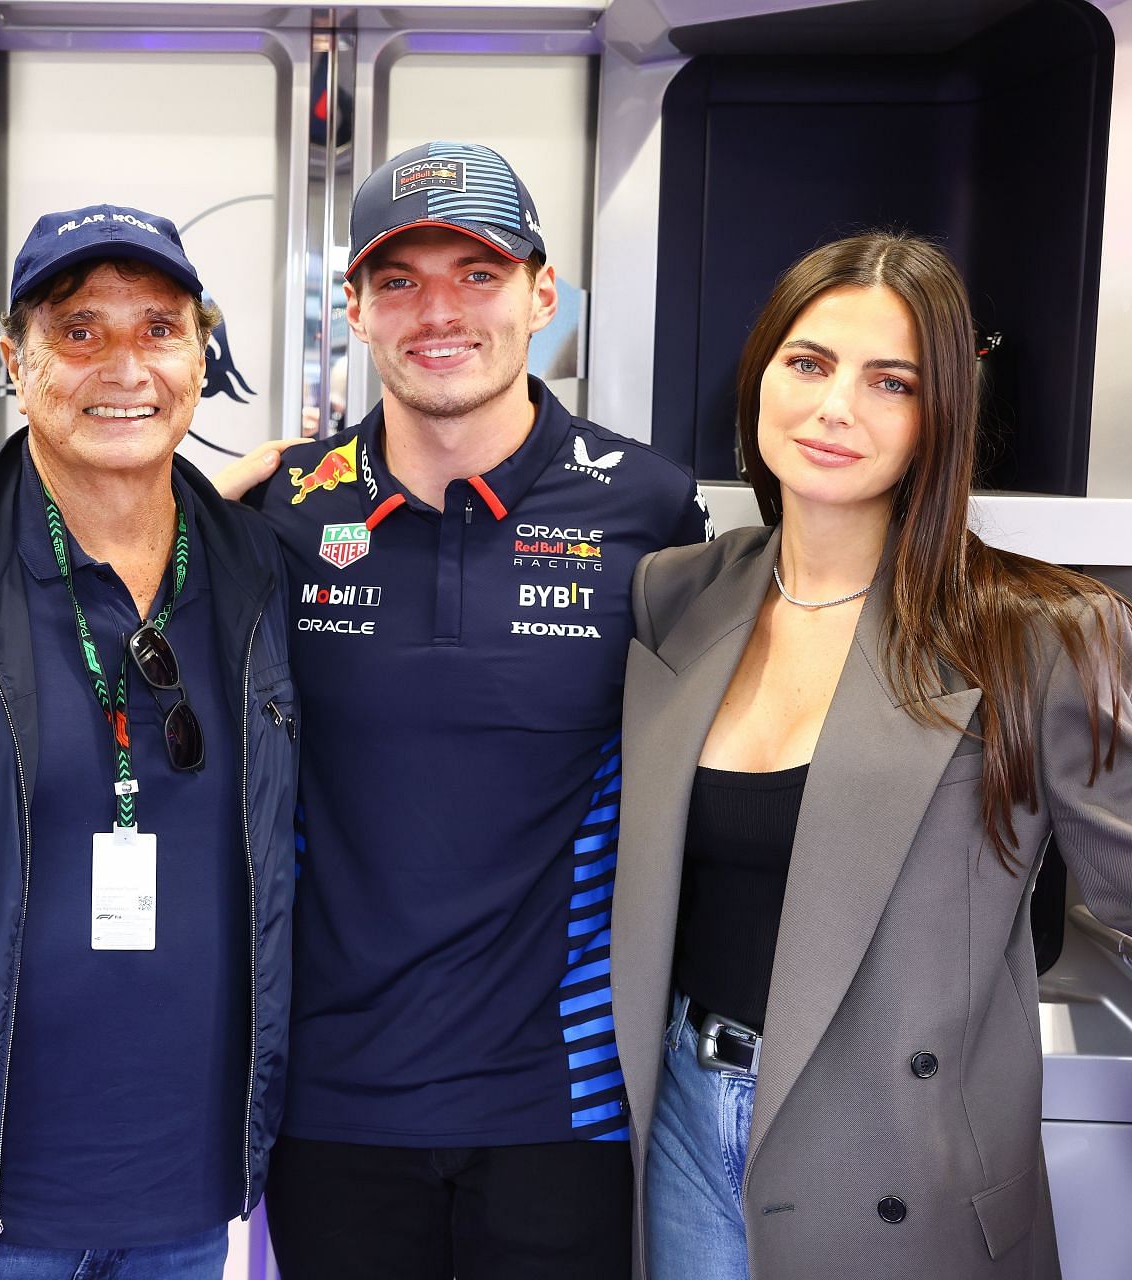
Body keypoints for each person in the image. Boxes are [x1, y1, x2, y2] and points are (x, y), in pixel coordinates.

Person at [221, 141, 712, 1278]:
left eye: (477, 273)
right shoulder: (279, 512)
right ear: (352, 307)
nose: (437, 310)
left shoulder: (649, 507)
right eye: (398, 279)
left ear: (544, 293)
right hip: (330, 1109)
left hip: (567, 1104)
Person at [611, 231, 1132, 1279]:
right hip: (680, 1127)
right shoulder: (678, 593)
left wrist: (988, 975)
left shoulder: (1043, 630)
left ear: (940, 414)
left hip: (902, 1157)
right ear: (760, 373)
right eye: (808, 362)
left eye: (890, 381)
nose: (835, 406)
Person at [0, 205, 299, 1279]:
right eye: (79, 331)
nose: (123, 365)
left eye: (159, 328)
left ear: (200, 352)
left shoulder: (259, 568)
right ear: (16, 357)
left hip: (185, 1193)